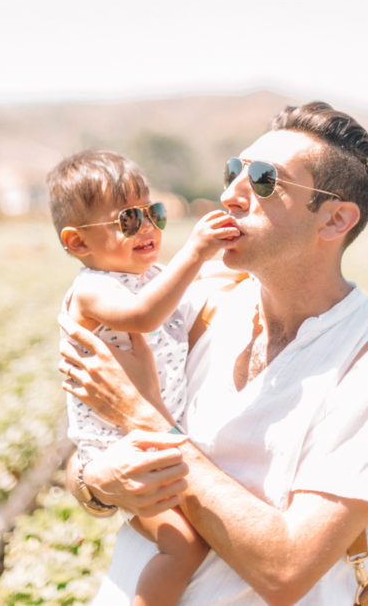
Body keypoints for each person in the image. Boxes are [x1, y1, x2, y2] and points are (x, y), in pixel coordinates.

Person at [58, 103, 368, 605]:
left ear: (334, 219)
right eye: (234, 171)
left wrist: (141, 415)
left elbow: (287, 570)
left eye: (262, 181)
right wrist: (98, 482)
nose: (229, 195)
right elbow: (87, 459)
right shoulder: (199, 310)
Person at [46, 149, 240, 606]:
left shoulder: (146, 274)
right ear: (77, 243)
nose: (149, 228)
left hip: (148, 434)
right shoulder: (92, 288)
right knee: (185, 547)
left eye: (153, 214)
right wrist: (195, 251)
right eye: (128, 221)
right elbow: (145, 314)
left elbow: (181, 296)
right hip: (120, 447)